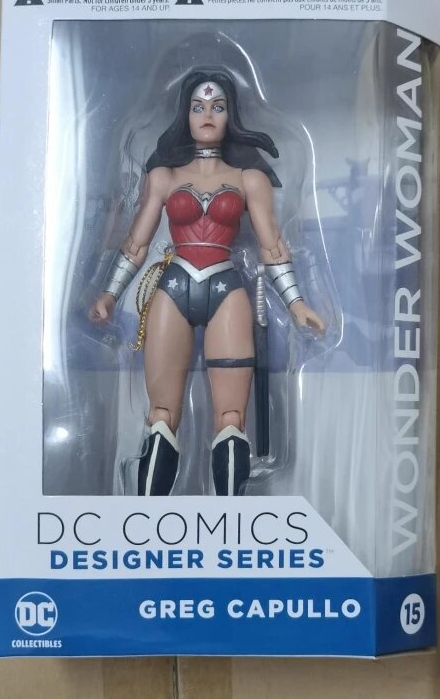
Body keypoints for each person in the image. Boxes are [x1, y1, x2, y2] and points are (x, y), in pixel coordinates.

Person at [89, 70, 323, 496]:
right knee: (161, 416)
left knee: (231, 419)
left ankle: (231, 518)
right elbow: (136, 243)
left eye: (217, 106)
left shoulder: (249, 179)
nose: (208, 114)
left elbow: (272, 247)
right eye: (198, 107)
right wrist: (108, 294)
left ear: (230, 114)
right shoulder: (164, 177)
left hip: (225, 290)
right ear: (186, 113)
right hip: (174, 287)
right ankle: (145, 517)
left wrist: (296, 304)